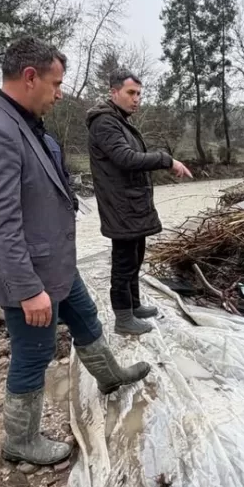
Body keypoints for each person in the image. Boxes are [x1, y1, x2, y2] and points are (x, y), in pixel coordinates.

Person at [0, 37, 150, 467]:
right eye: (56, 82)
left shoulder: (22, 121)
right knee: (33, 352)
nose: (60, 92)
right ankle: (20, 439)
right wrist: (28, 289)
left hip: (54, 261)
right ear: (30, 78)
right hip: (28, 272)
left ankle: (109, 377)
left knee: (84, 316)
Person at [86, 69, 193, 335]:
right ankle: (123, 318)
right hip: (121, 207)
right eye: (131, 93)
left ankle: (133, 305)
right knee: (123, 262)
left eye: (139, 94)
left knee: (136, 257)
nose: (137, 99)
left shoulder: (120, 121)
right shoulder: (105, 123)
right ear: (114, 92)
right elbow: (126, 158)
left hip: (132, 204)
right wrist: (166, 160)